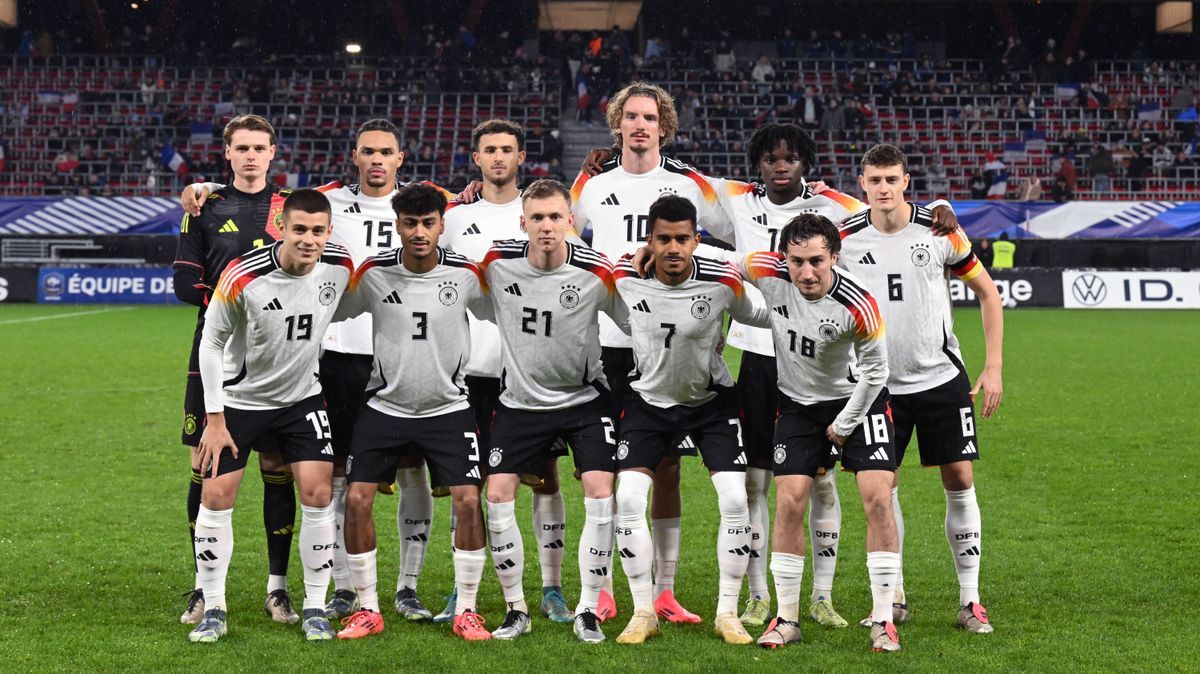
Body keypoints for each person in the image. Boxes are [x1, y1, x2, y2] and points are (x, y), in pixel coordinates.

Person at [181, 121, 464, 623]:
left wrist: (478, 187)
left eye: (387, 152)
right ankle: (248, 598)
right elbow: (213, 336)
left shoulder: (426, 207)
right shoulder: (313, 211)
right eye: (368, 152)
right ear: (354, 156)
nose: (377, 160)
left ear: (401, 158)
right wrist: (205, 188)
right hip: (311, 367)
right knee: (318, 484)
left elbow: (471, 202)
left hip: (380, 368)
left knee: (398, 469)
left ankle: (397, 588)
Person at [571, 81, 737, 624]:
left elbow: (743, 226)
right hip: (608, 344)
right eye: (631, 116)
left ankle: (664, 592)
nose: (640, 125)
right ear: (617, 123)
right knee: (605, 472)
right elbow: (559, 234)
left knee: (666, 469)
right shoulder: (593, 185)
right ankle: (601, 588)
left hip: (672, 348)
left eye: (650, 117)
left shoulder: (689, 184)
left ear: (664, 126)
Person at [838, 144, 1003, 635]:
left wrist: (992, 368)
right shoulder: (843, 237)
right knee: (879, 489)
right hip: (875, 385)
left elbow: (989, 293)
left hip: (938, 378)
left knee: (959, 478)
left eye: (892, 179)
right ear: (861, 185)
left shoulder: (940, 229)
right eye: (874, 180)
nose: (884, 188)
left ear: (906, 181)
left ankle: (970, 600)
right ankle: (893, 595)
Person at [188, 188, 354, 643]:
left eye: (318, 231)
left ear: (328, 232)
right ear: (281, 227)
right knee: (216, 498)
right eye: (299, 229)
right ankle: (215, 607)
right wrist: (215, 419)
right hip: (242, 403)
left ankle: (315, 606)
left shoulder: (340, 267)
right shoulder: (243, 274)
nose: (308, 239)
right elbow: (211, 343)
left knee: (319, 495)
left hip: (302, 400)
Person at [332, 184, 493, 642]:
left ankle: (466, 609)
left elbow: (506, 310)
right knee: (358, 498)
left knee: (467, 500)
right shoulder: (375, 273)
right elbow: (331, 308)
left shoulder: (467, 274)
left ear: (442, 224)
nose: (419, 232)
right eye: (410, 223)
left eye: (428, 223)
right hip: (385, 405)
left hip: (448, 407)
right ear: (397, 225)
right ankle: (367, 609)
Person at [610, 194, 770, 646]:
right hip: (647, 401)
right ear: (650, 241)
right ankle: (644, 610)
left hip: (710, 403)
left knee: (736, 499)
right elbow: (580, 263)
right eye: (664, 239)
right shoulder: (624, 278)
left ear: (697, 240)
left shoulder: (723, 282)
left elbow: (765, 313)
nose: (674, 248)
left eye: (683, 238)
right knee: (629, 499)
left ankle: (727, 612)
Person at [740, 214, 901, 652]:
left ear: (834, 256)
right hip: (796, 404)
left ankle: (884, 619)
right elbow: (722, 265)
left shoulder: (859, 303)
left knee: (877, 497)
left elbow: (876, 372)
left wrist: (844, 425)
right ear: (784, 258)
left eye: (816, 261)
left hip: (857, 401)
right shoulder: (766, 270)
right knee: (790, 499)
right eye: (796, 262)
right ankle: (787, 618)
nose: (806, 273)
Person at [438, 119, 574, 624]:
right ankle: (462, 586)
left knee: (545, 478)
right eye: (489, 149)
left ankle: (553, 587)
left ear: (521, 157)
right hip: (472, 367)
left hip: (534, 370)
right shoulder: (454, 216)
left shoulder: (542, 212)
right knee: (467, 482)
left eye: (507, 150)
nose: (498, 158)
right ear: (476, 157)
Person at [478, 179, 624, 642]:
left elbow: (633, 316)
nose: (546, 226)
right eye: (537, 218)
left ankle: (588, 609)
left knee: (601, 491)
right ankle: (515, 608)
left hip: (583, 400)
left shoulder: (596, 270)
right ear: (523, 223)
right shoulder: (497, 263)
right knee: (497, 494)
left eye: (554, 217)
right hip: (519, 401)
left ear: (570, 222)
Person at [172, 114, 299, 626]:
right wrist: (240, 303)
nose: (250, 156)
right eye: (241, 147)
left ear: (273, 154)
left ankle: (278, 588)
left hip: (279, 357)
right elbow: (186, 287)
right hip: (215, 355)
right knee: (206, 469)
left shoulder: (292, 208)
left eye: (259, 147)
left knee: (278, 468)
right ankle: (203, 589)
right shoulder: (203, 208)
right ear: (227, 153)